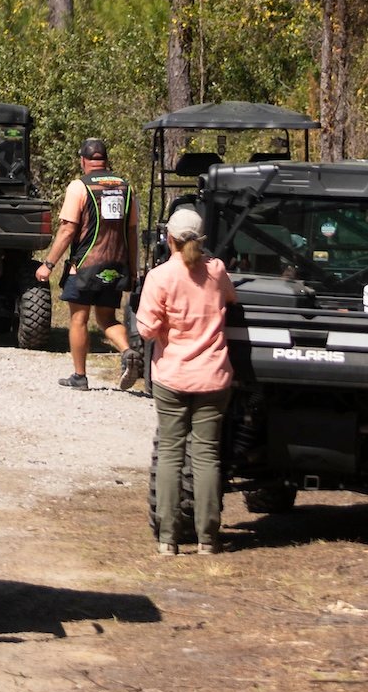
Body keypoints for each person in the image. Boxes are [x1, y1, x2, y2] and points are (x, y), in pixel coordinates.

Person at [138, 205, 237, 556]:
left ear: (169, 239)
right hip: (213, 376)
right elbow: (230, 297)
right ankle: (208, 538)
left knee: (170, 453)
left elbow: (147, 329)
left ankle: (168, 538)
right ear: (200, 239)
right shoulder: (217, 269)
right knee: (207, 456)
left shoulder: (160, 277)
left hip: (173, 377)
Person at [37, 137, 141, 391]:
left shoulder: (79, 187)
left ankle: (80, 376)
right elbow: (132, 232)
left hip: (84, 266)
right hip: (115, 266)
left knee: (79, 319)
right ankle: (127, 351)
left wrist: (48, 264)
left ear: (83, 161)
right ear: (106, 160)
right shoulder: (125, 187)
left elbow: (67, 229)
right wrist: (133, 269)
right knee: (107, 319)